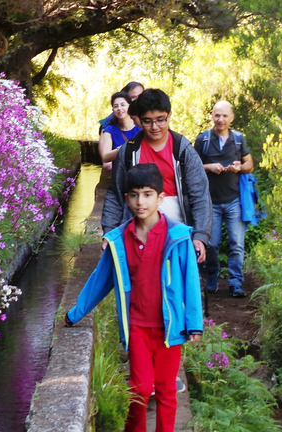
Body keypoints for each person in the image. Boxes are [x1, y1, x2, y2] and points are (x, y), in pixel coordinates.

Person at [65, 164, 202, 432]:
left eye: (148, 194)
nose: (141, 201)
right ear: (126, 198)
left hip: (169, 328)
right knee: (140, 391)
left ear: (161, 198)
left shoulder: (178, 237)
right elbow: (100, 279)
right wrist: (75, 313)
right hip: (137, 327)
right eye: (135, 195)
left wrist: (193, 322)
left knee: (165, 391)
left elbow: (190, 281)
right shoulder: (119, 240)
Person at [101, 88, 211, 264]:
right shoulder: (128, 152)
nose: (154, 127)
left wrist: (200, 235)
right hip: (138, 237)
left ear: (169, 115)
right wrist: (109, 233)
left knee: (176, 287)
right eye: (147, 122)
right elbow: (115, 193)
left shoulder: (183, 151)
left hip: (178, 235)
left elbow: (200, 195)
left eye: (161, 120)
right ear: (138, 121)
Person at [194, 100, 254, 298]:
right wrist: (209, 167)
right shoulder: (203, 139)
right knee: (211, 244)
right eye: (217, 115)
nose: (220, 119)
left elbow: (249, 165)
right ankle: (212, 276)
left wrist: (240, 167)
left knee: (237, 243)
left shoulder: (238, 139)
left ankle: (235, 282)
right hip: (209, 202)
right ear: (212, 116)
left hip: (234, 200)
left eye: (224, 115)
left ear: (231, 117)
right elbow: (191, 167)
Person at [99, 91, 141, 169]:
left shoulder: (140, 127)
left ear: (130, 106)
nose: (119, 108)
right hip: (120, 174)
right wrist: (125, 148)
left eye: (123, 105)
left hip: (139, 172)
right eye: (116, 106)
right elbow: (105, 157)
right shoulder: (109, 130)